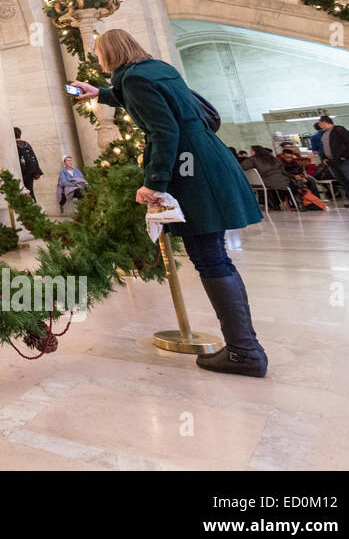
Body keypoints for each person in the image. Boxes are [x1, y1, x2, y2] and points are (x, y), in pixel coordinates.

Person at [71, 29, 267, 377]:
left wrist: (154, 185)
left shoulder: (134, 81)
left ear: (108, 54)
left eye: (98, 54)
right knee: (215, 257)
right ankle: (245, 348)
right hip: (208, 160)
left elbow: (164, 132)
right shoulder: (155, 69)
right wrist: (99, 93)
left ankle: (245, 352)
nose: (98, 61)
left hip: (192, 172)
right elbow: (149, 100)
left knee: (210, 260)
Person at [239, 145, 296, 209]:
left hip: (264, 183)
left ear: (254, 151)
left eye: (251, 151)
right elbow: (283, 171)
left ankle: (272, 203)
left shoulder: (252, 159)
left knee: (268, 188)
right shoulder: (275, 159)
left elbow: (241, 167)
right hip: (282, 182)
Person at [15, 127, 43, 201]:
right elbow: (34, 156)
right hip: (31, 171)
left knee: (22, 192)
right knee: (30, 191)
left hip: (23, 172)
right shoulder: (26, 144)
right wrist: (37, 171)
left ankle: (31, 209)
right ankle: (34, 208)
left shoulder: (15, 145)